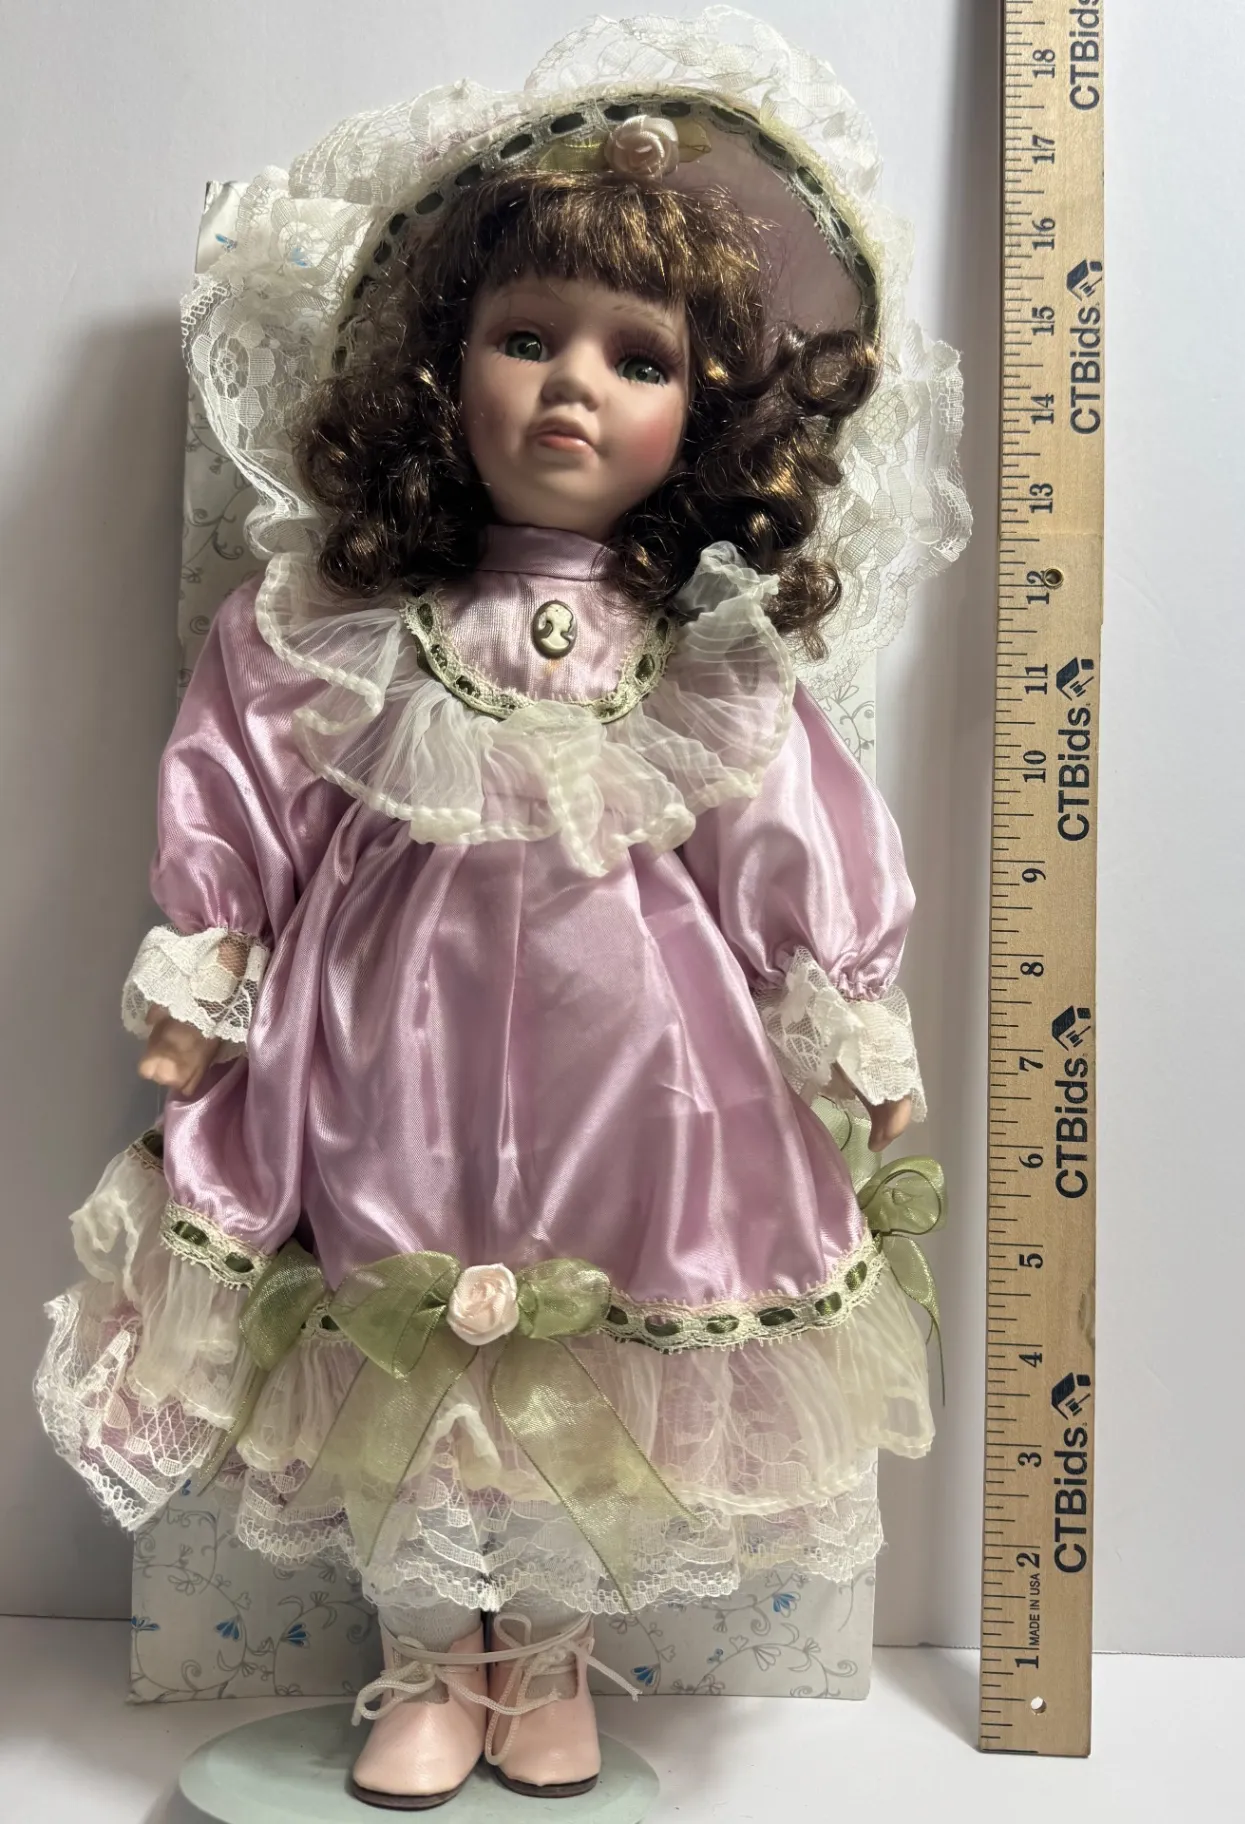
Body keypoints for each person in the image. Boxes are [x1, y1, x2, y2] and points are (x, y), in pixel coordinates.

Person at [36, 13, 968, 1808]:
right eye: (527, 338)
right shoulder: (343, 619)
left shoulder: (703, 651)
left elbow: (783, 835)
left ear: (705, 411)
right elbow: (246, 779)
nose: (570, 390)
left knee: (596, 1346)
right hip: (382, 1044)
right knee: (385, 1314)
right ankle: (423, 1659)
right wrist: (205, 974)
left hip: (642, 1067)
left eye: (637, 356)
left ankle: (540, 1662)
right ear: (443, 368)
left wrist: (848, 1023)